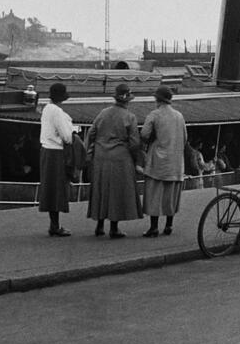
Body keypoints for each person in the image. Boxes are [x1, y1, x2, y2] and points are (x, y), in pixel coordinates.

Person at [86, 83, 144, 238]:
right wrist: (137, 160)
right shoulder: (130, 117)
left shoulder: (103, 113)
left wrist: (91, 152)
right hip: (120, 157)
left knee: (101, 190)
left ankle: (99, 226)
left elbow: (91, 134)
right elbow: (134, 143)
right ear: (128, 100)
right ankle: (114, 228)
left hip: (100, 156)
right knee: (116, 192)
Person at [139, 85, 187, 238]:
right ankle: (169, 225)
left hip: (158, 161)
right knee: (170, 195)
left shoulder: (154, 114)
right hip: (175, 162)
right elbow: (185, 138)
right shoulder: (179, 116)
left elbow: (144, 134)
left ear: (157, 99)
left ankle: (153, 227)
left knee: (155, 194)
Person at [37, 83, 77, 236]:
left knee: (50, 188)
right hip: (56, 153)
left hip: (46, 150)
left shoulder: (47, 109)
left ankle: (54, 224)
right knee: (57, 188)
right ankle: (55, 226)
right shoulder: (58, 112)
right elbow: (67, 137)